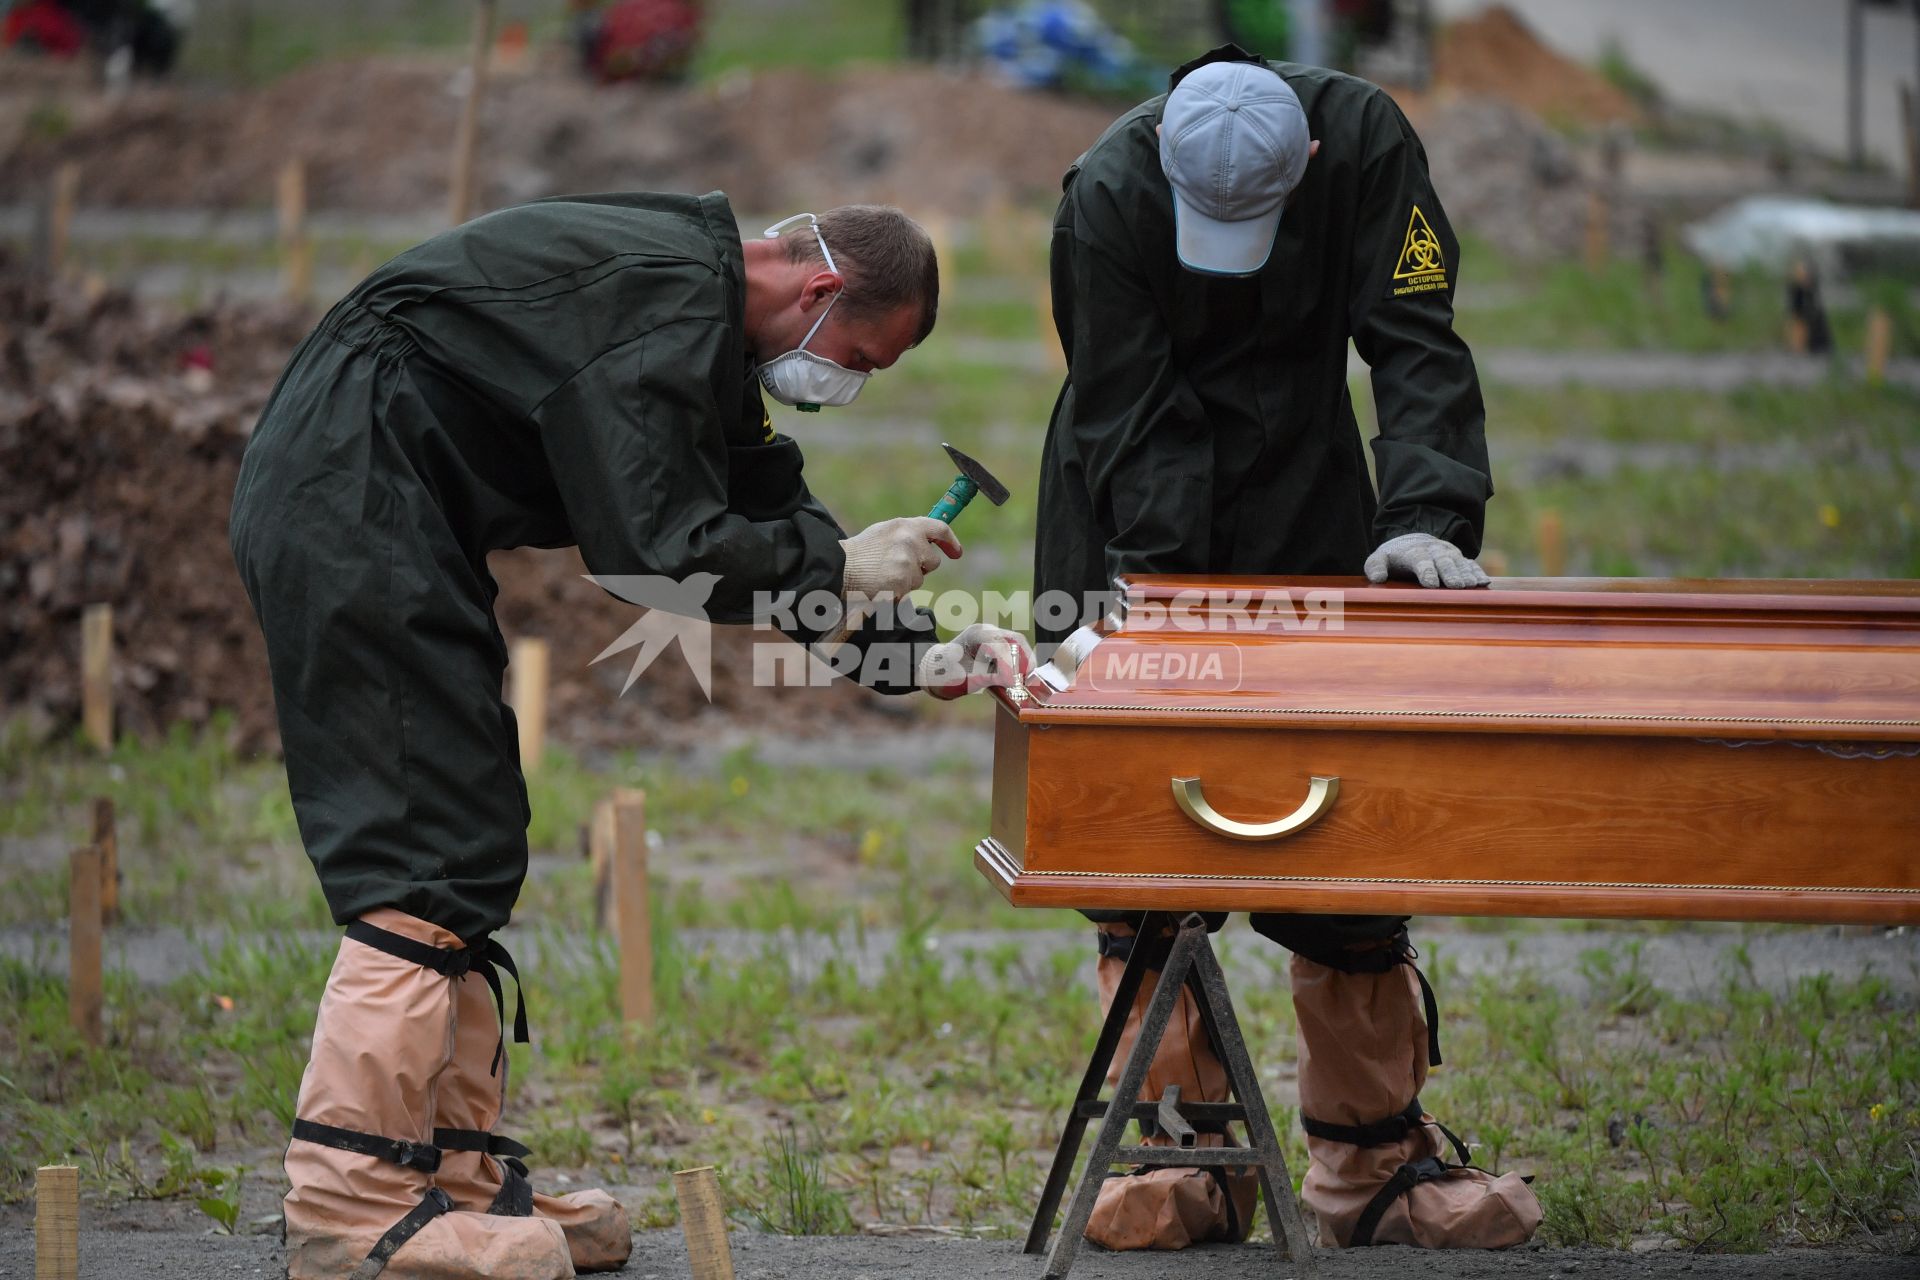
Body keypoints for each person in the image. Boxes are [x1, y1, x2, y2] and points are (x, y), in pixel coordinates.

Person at [231, 195, 1028, 1280]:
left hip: (396, 509)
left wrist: (909, 652)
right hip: (348, 500)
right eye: (858, 357)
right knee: (415, 842)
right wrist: (840, 567)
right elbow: (653, 545)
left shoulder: (706, 327)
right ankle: (352, 1204)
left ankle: (455, 1175)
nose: (848, 384)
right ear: (820, 289)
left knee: (467, 835)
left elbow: (761, 510)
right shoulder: (661, 305)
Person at [1035, 46, 1542, 1251]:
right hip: (1121, 499)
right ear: (1163, 163)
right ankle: (1185, 1150)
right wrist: (1163, 598)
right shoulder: (1106, 193)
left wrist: (1426, 516)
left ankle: (1372, 1160)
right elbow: (1128, 402)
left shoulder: (1364, 144)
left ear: (1304, 162)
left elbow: (1415, 340)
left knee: (1341, 820)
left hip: (1307, 491)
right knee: (1138, 834)